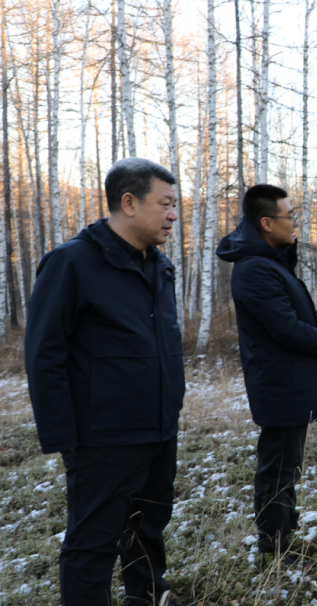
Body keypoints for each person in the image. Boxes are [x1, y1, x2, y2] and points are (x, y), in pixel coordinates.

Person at [25, 158, 188, 606]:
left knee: (148, 527)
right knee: (93, 544)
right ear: (129, 203)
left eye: (175, 205)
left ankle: (148, 597)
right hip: (101, 439)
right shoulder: (71, 263)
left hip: (158, 429)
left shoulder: (160, 266)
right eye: (166, 204)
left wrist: (171, 409)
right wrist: (65, 438)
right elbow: (44, 355)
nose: (174, 215)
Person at [215, 184, 317, 561]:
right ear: (267, 223)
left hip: (291, 380)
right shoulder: (255, 269)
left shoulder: (270, 262)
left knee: (288, 464)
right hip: (279, 383)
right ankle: (273, 544)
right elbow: (284, 326)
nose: (295, 223)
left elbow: (302, 311)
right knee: (278, 467)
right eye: (290, 216)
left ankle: (284, 531)